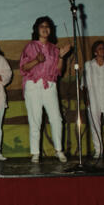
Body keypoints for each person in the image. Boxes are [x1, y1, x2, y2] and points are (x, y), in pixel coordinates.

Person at [19, 16, 71, 163]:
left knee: (57, 119)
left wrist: (61, 57)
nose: (45, 28)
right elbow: (23, 68)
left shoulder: (54, 49)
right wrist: (37, 60)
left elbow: (58, 71)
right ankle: (35, 152)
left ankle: (59, 150)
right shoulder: (30, 47)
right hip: (33, 85)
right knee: (35, 120)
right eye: (42, 26)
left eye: (47, 26)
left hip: (50, 85)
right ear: (37, 29)